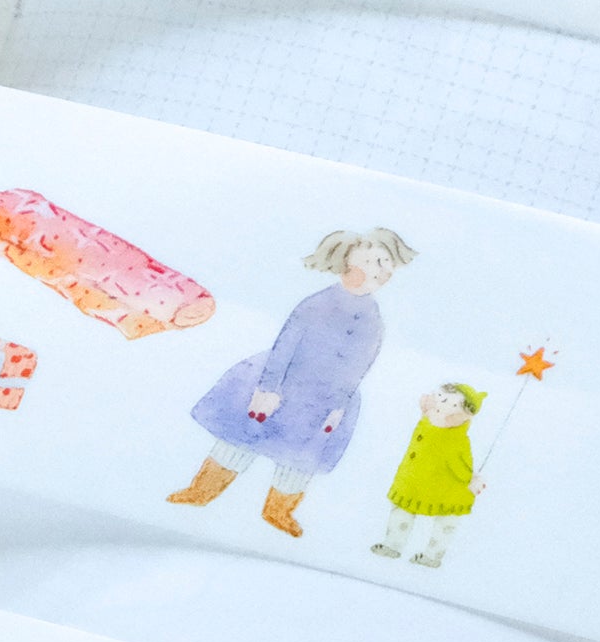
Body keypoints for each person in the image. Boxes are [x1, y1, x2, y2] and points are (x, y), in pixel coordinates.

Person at [168, 228, 417, 539]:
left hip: (325, 399)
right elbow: (285, 345)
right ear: (346, 263)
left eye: (386, 263)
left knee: (300, 459)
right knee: (240, 439)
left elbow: (360, 366)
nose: (382, 270)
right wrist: (268, 388)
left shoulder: (372, 317)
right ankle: (201, 491)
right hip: (284, 385)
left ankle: (279, 511)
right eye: (372, 261)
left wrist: (339, 404)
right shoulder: (317, 304)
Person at [371, 383, 487, 568]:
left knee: (445, 522)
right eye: (440, 397)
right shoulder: (428, 420)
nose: (441, 405)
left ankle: (432, 556)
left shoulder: (455, 437)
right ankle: (392, 545)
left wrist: (470, 479)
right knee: (403, 510)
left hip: (448, 486)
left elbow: (460, 463)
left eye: (451, 403)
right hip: (415, 480)